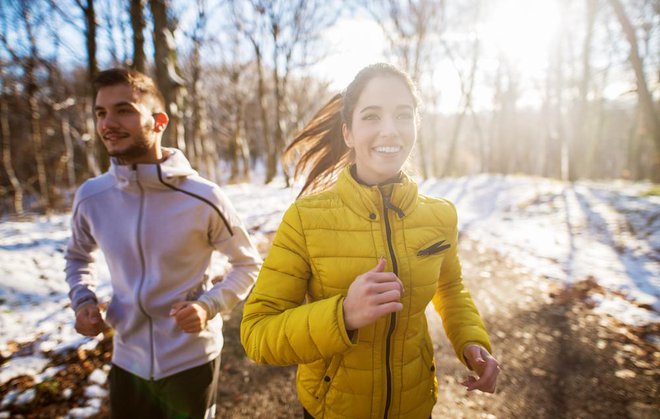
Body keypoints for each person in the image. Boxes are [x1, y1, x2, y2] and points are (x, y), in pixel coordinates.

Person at [240, 63, 499, 418]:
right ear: (348, 132)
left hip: (415, 405)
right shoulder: (305, 220)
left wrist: (471, 341)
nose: (389, 130)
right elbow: (257, 333)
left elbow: (450, 288)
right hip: (331, 410)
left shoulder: (440, 216)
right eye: (372, 116)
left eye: (403, 116)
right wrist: (343, 314)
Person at [64, 68, 262, 419]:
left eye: (123, 109)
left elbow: (247, 264)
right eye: (100, 113)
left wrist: (208, 306)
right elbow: (79, 257)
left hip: (192, 361)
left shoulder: (203, 197)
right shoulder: (92, 197)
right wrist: (82, 300)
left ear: (158, 121)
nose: (108, 123)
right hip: (127, 363)